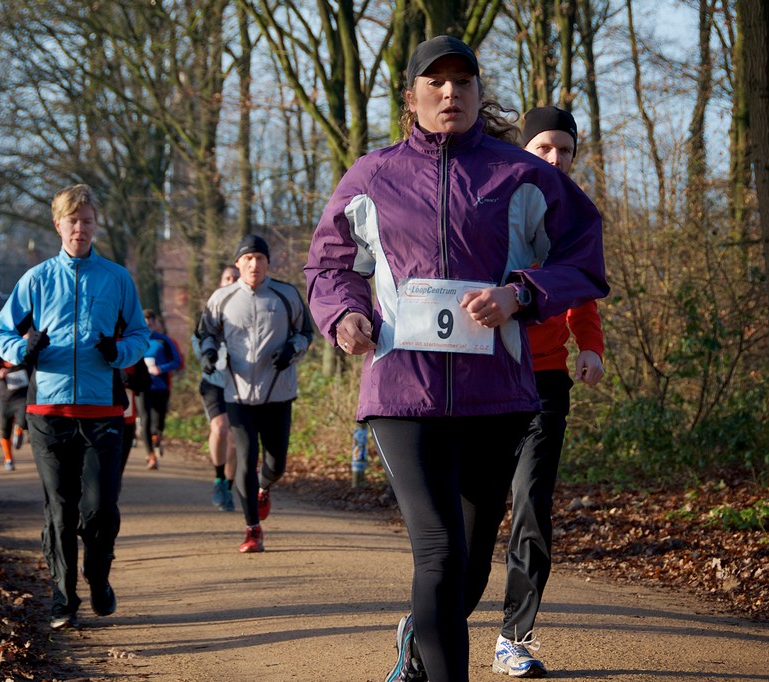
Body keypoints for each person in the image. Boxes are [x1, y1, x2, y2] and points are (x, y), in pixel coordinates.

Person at [304, 35, 607, 682]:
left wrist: (521, 293)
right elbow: (330, 266)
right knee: (439, 552)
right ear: (411, 96)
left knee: (467, 564)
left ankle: (418, 644)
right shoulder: (371, 177)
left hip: (495, 393)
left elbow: (583, 254)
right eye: (435, 83)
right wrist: (344, 315)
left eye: (462, 82)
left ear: (477, 91)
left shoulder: (521, 174)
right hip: (401, 391)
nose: (450, 93)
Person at [460, 106, 605, 678]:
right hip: (485, 376)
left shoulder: (573, 215)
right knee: (475, 514)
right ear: (523, 151)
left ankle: (513, 638)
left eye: (565, 150)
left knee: (531, 505)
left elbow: (580, 291)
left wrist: (589, 346)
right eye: (544, 147)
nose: (555, 158)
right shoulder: (494, 201)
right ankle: (437, 621)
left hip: (544, 380)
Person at [0, 183, 150, 631]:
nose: (80, 228)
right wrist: (23, 349)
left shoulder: (116, 279)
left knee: (99, 509)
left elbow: (139, 335)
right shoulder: (37, 279)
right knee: (60, 510)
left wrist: (118, 352)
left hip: (103, 412)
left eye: (87, 221)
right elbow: (1, 333)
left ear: (96, 225)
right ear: (58, 224)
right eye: (73, 221)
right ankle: (63, 597)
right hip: (48, 412)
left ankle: (98, 577)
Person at [197, 235, 313, 553]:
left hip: (278, 392)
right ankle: (252, 530)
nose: (254, 264)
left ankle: (265, 487)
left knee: (276, 464)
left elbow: (305, 332)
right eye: (247, 258)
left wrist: (292, 349)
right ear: (238, 263)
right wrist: (208, 353)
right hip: (237, 394)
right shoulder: (222, 298)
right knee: (246, 460)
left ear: (267, 263)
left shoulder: (286, 294)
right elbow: (206, 332)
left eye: (259, 258)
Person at [192, 265, 239, 511]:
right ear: (221, 282)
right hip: (214, 382)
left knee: (235, 439)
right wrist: (206, 357)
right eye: (227, 278)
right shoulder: (210, 311)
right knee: (220, 428)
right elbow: (198, 338)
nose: (232, 281)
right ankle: (219, 478)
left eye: (235, 278)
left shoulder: (250, 309)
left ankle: (228, 487)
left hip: (242, 384)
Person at [139, 309, 183, 470]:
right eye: (145, 324)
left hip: (160, 387)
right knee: (145, 421)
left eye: (150, 324)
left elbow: (177, 362)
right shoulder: (135, 340)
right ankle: (151, 455)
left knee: (158, 423)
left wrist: (161, 369)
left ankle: (156, 438)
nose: (148, 327)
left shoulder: (164, 340)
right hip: (142, 387)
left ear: (156, 324)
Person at [0, 350, 30, 471]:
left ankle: (19, 431)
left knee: (24, 421)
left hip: (22, 397)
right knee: (5, 429)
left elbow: (32, 370)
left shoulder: (24, 352)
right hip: (5, 398)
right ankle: (8, 459)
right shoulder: (0, 354)